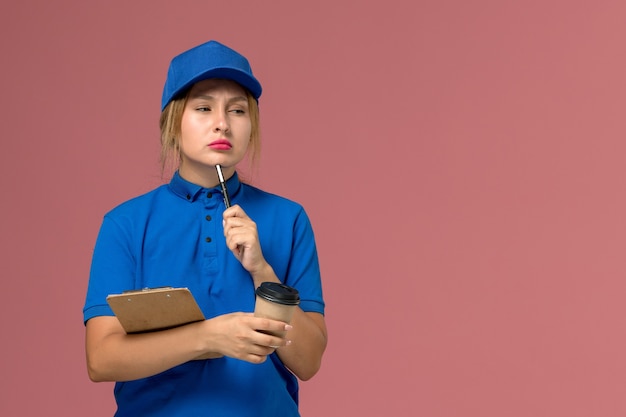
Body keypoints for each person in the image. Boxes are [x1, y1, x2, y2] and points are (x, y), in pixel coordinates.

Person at [83, 40, 327, 416]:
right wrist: (209, 338)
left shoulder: (288, 218)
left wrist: (262, 270)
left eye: (238, 110)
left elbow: (308, 361)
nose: (222, 123)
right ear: (172, 121)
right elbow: (101, 358)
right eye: (203, 108)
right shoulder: (125, 224)